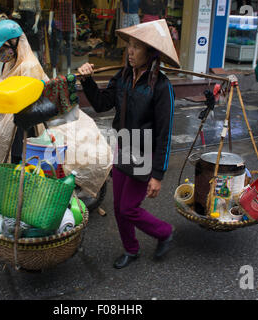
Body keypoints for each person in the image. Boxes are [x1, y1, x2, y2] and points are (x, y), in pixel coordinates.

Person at [77, 19, 180, 269]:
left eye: (136, 47)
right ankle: (131, 249)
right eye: (129, 46)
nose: (130, 52)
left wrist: (158, 174)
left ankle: (164, 231)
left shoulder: (161, 86)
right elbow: (102, 104)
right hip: (123, 144)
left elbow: (165, 133)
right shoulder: (122, 77)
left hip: (144, 149)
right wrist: (88, 81)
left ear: (151, 52)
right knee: (117, 206)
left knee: (128, 208)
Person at [0, 19, 49, 211]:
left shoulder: (29, 66)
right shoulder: (11, 62)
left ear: (15, 43)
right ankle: (11, 204)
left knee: (19, 164)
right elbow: (8, 83)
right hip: (9, 120)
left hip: (24, 127)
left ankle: (23, 208)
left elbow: (24, 98)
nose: (1, 52)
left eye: (3, 47)